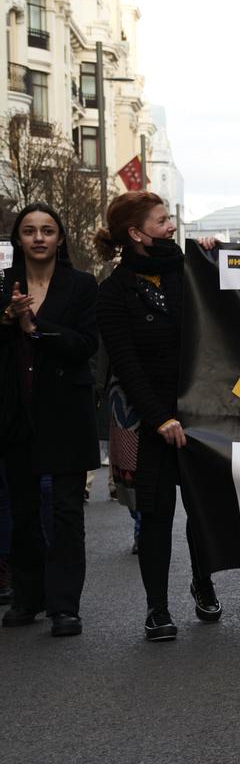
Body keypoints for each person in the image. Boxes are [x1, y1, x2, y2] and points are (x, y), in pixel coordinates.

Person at [96, 192, 221, 642]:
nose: (171, 226)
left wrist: (216, 257)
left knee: (202, 512)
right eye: (163, 219)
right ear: (136, 233)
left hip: (200, 416)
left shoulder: (192, 273)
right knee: (155, 516)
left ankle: (203, 584)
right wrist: (160, 419)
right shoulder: (113, 293)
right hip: (150, 421)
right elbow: (125, 365)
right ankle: (157, 608)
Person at [0, 204, 99, 637]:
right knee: (22, 514)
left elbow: (85, 345)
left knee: (64, 514)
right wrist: (7, 319)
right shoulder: (3, 286)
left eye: (47, 230)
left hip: (65, 415)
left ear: (61, 238)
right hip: (14, 414)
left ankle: (64, 606)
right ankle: (28, 597)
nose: (38, 238)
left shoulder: (80, 284)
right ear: (18, 239)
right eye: (29, 231)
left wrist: (34, 326)